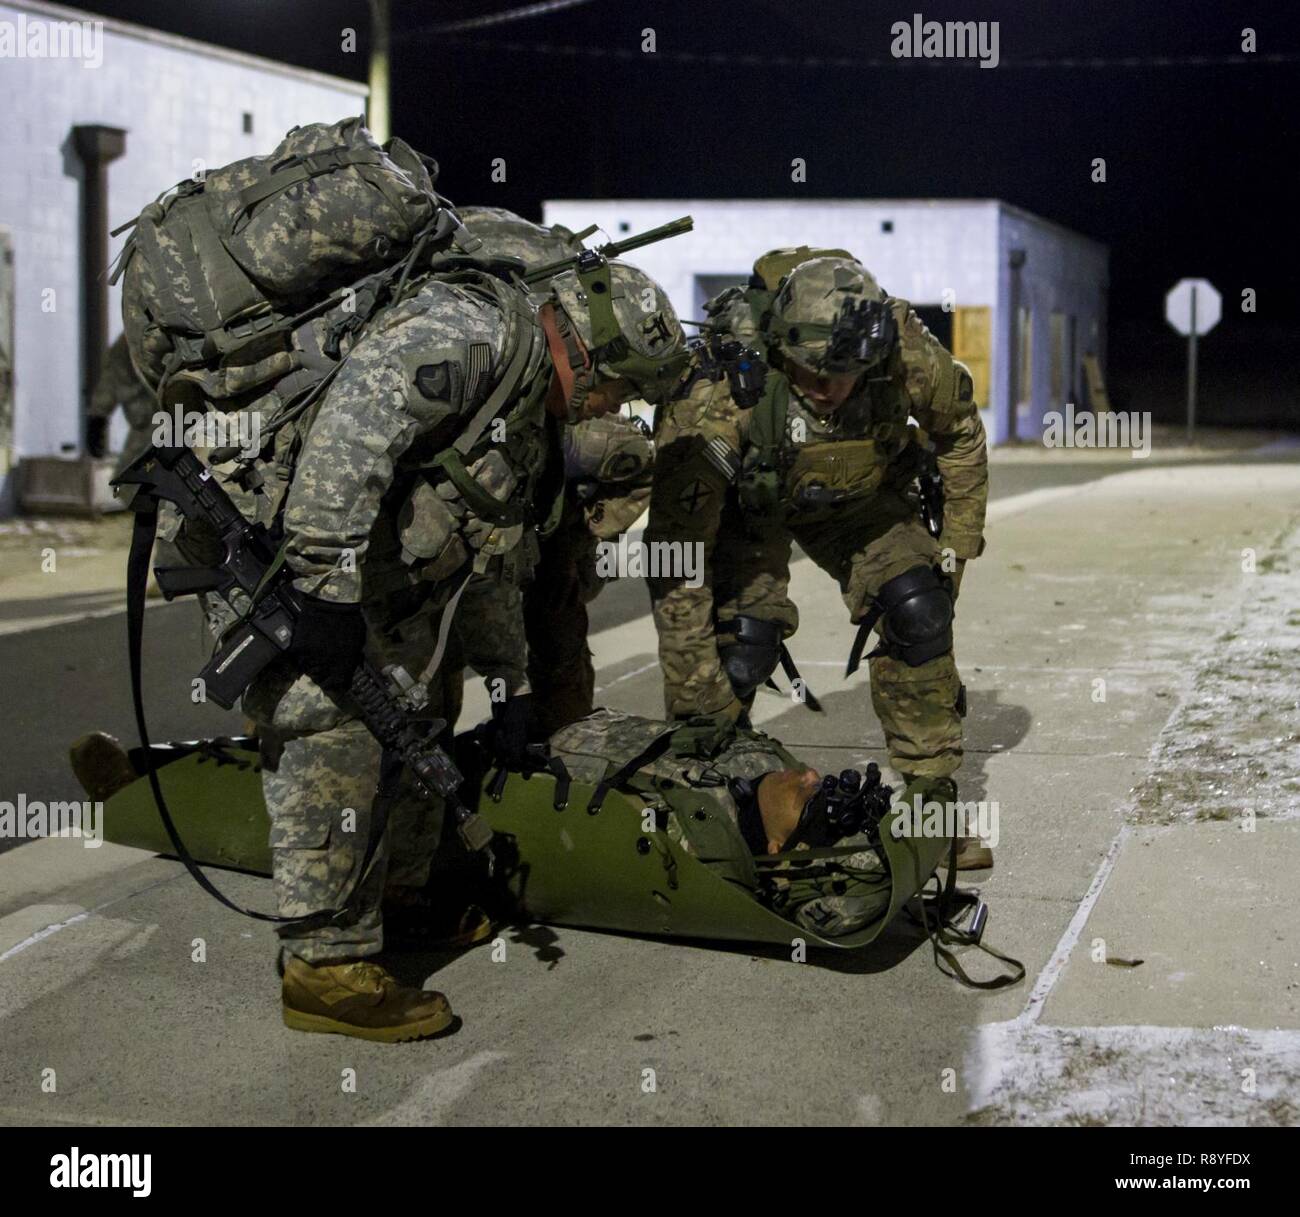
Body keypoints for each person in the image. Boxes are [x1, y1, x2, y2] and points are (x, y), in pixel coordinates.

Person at [166, 241, 686, 1040]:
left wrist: (508, 681)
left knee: (414, 714)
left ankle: (402, 902)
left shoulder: (524, 405)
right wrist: (326, 596)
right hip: (286, 558)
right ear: (583, 346)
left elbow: (488, 556)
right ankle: (324, 968)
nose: (609, 406)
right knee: (332, 723)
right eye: (615, 386)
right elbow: (348, 443)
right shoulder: (466, 333)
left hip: (377, 582)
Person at [644, 250, 992, 870]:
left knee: (920, 613)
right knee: (741, 649)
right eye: (808, 372)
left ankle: (932, 815)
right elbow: (678, 557)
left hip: (858, 501)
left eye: (840, 376)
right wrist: (698, 698)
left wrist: (954, 553)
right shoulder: (719, 393)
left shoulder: (904, 354)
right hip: (751, 509)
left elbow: (960, 435)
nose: (824, 392)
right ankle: (711, 804)